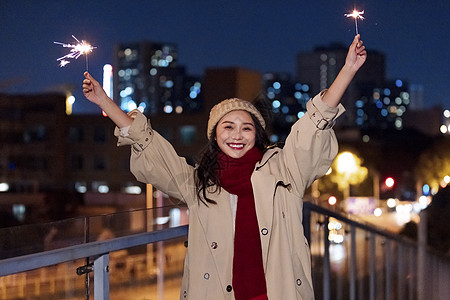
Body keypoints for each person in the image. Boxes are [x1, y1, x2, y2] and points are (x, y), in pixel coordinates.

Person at [83, 35, 367, 300]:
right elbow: (151, 148)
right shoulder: (197, 184)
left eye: (246, 128)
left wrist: (348, 70)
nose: (237, 135)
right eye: (228, 126)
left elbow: (313, 126)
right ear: (215, 135)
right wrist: (104, 101)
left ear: (257, 134)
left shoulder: (284, 172)